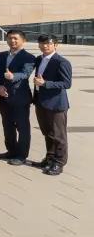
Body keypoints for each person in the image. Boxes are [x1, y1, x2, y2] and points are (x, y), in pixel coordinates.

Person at [0, 30, 35, 166]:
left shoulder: (29, 57)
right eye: (10, 38)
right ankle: (10, 151)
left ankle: (21, 155)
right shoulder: (2, 55)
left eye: (16, 38)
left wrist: (13, 76)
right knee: (7, 125)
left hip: (20, 97)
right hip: (3, 97)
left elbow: (25, 73)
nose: (12, 41)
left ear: (23, 41)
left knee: (22, 127)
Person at [32, 34, 72, 176]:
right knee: (47, 133)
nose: (45, 46)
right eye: (42, 43)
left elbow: (67, 83)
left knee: (58, 135)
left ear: (56, 45)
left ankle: (59, 163)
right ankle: (49, 158)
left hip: (56, 104)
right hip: (41, 102)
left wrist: (45, 84)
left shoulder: (61, 62)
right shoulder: (39, 59)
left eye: (48, 43)